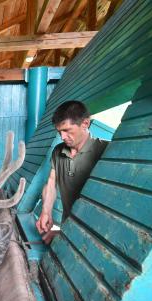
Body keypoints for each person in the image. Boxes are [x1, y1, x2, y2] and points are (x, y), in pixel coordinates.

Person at [35, 101, 109, 244]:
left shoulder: (105, 151)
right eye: (59, 132)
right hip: (69, 230)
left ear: (85, 123)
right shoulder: (58, 151)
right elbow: (51, 182)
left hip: (93, 238)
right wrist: (46, 211)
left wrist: (67, 234)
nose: (62, 137)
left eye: (67, 130)